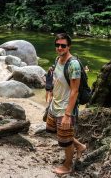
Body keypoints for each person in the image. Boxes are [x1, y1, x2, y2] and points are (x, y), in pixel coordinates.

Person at [46, 33, 86, 175]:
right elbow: (56, 80)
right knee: (57, 131)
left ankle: (67, 165)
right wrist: (50, 95)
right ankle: (80, 146)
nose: (60, 48)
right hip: (55, 104)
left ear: (69, 46)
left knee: (65, 140)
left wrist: (67, 115)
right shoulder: (58, 59)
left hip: (65, 108)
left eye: (63, 45)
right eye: (57, 45)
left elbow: (74, 91)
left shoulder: (73, 65)